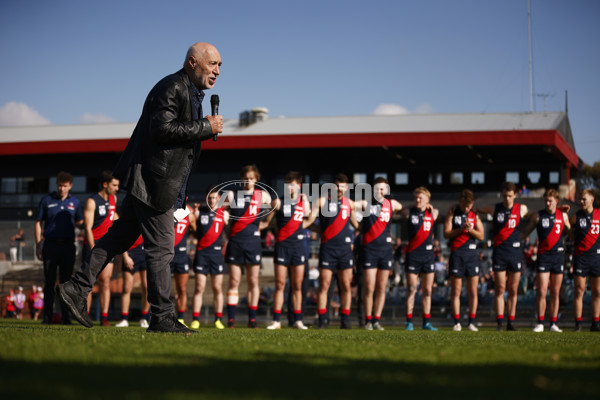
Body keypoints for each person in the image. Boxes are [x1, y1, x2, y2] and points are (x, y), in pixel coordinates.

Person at [57, 42, 223, 334]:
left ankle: (76, 288)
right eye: (213, 64)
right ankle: (162, 315)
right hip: (153, 183)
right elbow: (161, 130)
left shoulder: (190, 92)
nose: (218, 71)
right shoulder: (172, 87)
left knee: (116, 240)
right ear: (193, 62)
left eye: (220, 66)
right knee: (161, 249)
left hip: (152, 182)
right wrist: (205, 127)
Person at [304, 173, 359, 329]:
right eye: (336, 185)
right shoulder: (322, 201)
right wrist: (322, 230)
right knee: (324, 285)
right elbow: (308, 222)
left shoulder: (350, 204)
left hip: (345, 250)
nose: (339, 188)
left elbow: (356, 224)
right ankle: (322, 320)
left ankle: (345, 321)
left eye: (342, 186)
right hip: (328, 248)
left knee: (346, 286)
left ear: (346, 187)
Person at [223, 165, 272, 328]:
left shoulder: (262, 195)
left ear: (256, 179)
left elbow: (274, 207)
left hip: (253, 242)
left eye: (251, 178)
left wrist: (265, 224)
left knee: (253, 281)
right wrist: (227, 227)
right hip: (236, 241)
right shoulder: (232, 194)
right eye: (245, 177)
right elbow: (221, 212)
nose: (248, 180)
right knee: (234, 281)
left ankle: (252, 319)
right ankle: (231, 319)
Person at [261, 171, 310, 330]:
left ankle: (298, 320)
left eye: (293, 185)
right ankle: (276, 321)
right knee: (280, 284)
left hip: (298, 247)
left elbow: (309, 217)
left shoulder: (304, 202)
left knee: (297, 285)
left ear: (299, 186)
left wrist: (306, 201)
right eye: (288, 184)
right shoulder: (278, 202)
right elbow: (267, 222)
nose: (290, 188)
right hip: (282, 247)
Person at [36, 171, 84, 324]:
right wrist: (38, 245)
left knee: (65, 285)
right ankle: (47, 317)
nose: (62, 189)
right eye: (59, 186)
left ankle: (66, 317)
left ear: (70, 186)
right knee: (49, 282)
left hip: (68, 247)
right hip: (50, 246)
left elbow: (80, 221)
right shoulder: (46, 200)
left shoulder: (75, 202)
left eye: (65, 186)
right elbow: (38, 223)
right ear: (56, 185)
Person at [355, 177, 402, 331]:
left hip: (386, 250)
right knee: (369, 287)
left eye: (382, 189)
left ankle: (376, 320)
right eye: (376, 189)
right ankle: (368, 320)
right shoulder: (366, 203)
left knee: (382, 287)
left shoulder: (392, 204)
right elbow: (350, 205)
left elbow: (403, 207)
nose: (379, 192)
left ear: (386, 190)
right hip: (369, 250)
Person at [521, 189, 570, 333]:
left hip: (558, 257)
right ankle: (540, 323)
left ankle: (553, 323)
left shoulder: (564, 216)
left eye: (550, 201)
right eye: (546, 201)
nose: (547, 203)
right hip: (543, 257)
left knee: (555, 292)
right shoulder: (538, 216)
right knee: (541, 291)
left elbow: (572, 232)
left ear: (556, 201)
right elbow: (525, 233)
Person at [482, 181, 528, 331]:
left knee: (513, 289)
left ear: (514, 195)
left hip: (515, 253)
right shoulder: (495, 209)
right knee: (500, 288)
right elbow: (475, 210)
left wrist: (558, 211)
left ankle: (510, 322)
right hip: (500, 252)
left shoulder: (522, 209)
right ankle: (500, 322)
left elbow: (540, 214)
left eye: (509, 196)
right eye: (504, 196)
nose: (506, 199)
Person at [443, 189, 484, 332]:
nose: (466, 208)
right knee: (456, 291)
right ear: (460, 201)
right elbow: (446, 233)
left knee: (473, 291)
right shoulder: (452, 212)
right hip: (457, 254)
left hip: (472, 255)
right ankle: (457, 322)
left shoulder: (475, 214)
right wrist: (461, 230)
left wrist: (470, 230)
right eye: (464, 204)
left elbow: (481, 235)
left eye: (468, 205)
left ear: (472, 203)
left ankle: (471, 322)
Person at [82, 171, 119, 326]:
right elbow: (88, 228)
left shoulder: (113, 198)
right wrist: (92, 248)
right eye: (114, 185)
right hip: (93, 245)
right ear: (105, 184)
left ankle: (104, 317)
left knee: (105, 281)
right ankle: (86, 315)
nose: (117, 188)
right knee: (89, 283)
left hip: (107, 245)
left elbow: (113, 216)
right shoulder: (92, 201)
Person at [401, 187, 440, 331]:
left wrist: (431, 207)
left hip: (428, 256)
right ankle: (409, 321)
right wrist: (412, 206)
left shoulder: (433, 213)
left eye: (421, 198)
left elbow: (435, 212)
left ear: (427, 200)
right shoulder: (409, 212)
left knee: (427, 290)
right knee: (411, 288)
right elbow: (400, 210)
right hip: (413, 255)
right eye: (416, 198)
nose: (417, 200)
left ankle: (426, 322)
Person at [191, 186, 229, 329]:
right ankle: (195, 319)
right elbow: (192, 229)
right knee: (199, 287)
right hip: (202, 253)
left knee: (217, 288)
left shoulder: (224, 214)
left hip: (216, 255)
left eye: (214, 198)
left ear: (219, 199)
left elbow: (230, 231)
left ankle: (218, 319)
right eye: (210, 198)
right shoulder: (199, 212)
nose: (212, 201)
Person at [570, 189, 600, 332]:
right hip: (580, 257)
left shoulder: (599, 215)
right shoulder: (576, 217)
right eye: (580, 199)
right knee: (579, 291)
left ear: (592, 200)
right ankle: (578, 324)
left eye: (584, 199)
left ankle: (595, 324)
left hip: (596, 257)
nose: (581, 202)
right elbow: (568, 230)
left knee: (597, 292)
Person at [115, 236, 150, 328]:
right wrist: (125, 256)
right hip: (131, 253)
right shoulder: (129, 221)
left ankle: (144, 317)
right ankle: (124, 318)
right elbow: (122, 237)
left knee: (147, 286)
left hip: (145, 253)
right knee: (127, 287)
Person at [172, 204, 196, 324]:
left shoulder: (189, 211)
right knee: (162, 287)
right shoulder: (168, 207)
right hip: (168, 253)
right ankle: (157, 316)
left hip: (181, 255)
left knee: (182, 289)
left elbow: (195, 230)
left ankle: (180, 318)